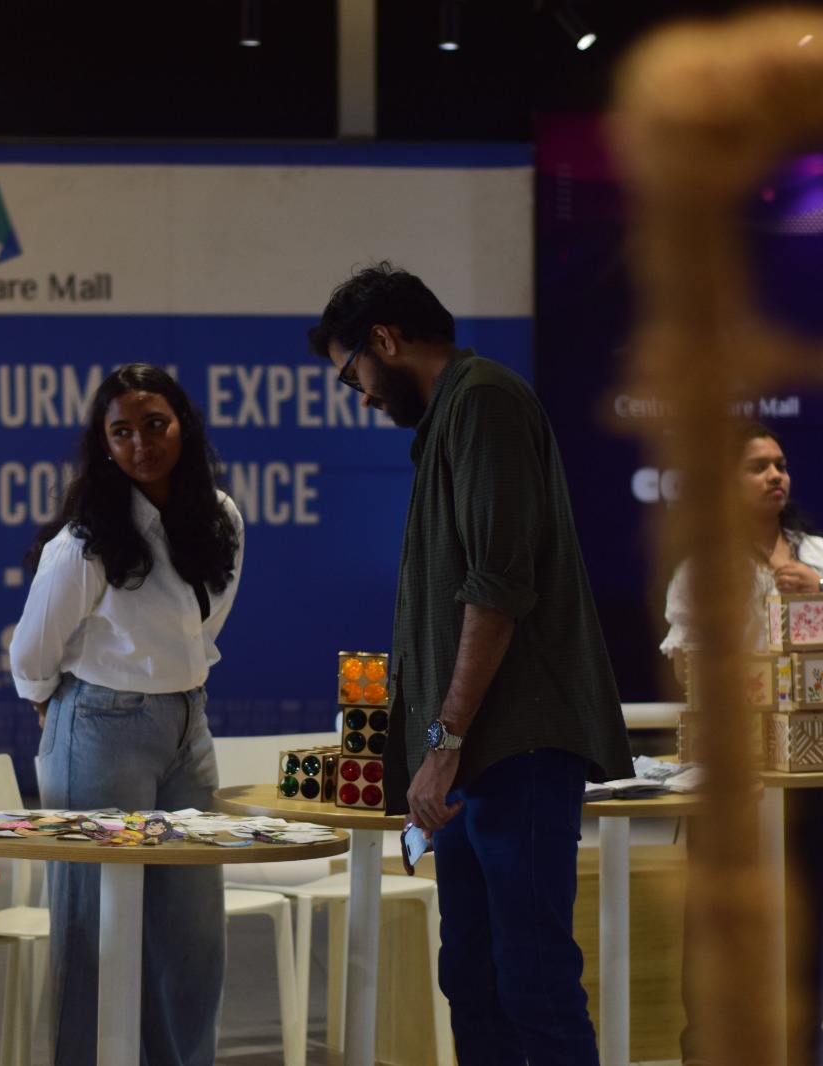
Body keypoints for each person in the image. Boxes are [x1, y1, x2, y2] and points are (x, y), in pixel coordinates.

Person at [307, 263, 634, 1065]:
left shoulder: (483, 401)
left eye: (353, 374)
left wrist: (444, 740)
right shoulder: (452, 416)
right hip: (470, 759)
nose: (362, 396)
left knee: (532, 980)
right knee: (473, 979)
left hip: (514, 747)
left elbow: (497, 589)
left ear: (385, 340)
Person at [9, 363, 243, 1066]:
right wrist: (56, 708)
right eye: (122, 432)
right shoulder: (86, 539)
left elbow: (204, 626)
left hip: (188, 725)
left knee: (193, 934)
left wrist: (173, 685)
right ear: (103, 444)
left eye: (155, 424)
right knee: (97, 928)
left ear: (183, 426)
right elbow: (32, 652)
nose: (141, 443)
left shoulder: (222, 517)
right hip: (99, 728)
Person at [661, 419, 823, 1066]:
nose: (776, 475)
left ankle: (802, 1041)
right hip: (734, 772)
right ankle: (710, 1045)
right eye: (758, 466)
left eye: (780, 463)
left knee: (813, 906)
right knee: (717, 913)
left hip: (811, 764)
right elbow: (682, 658)